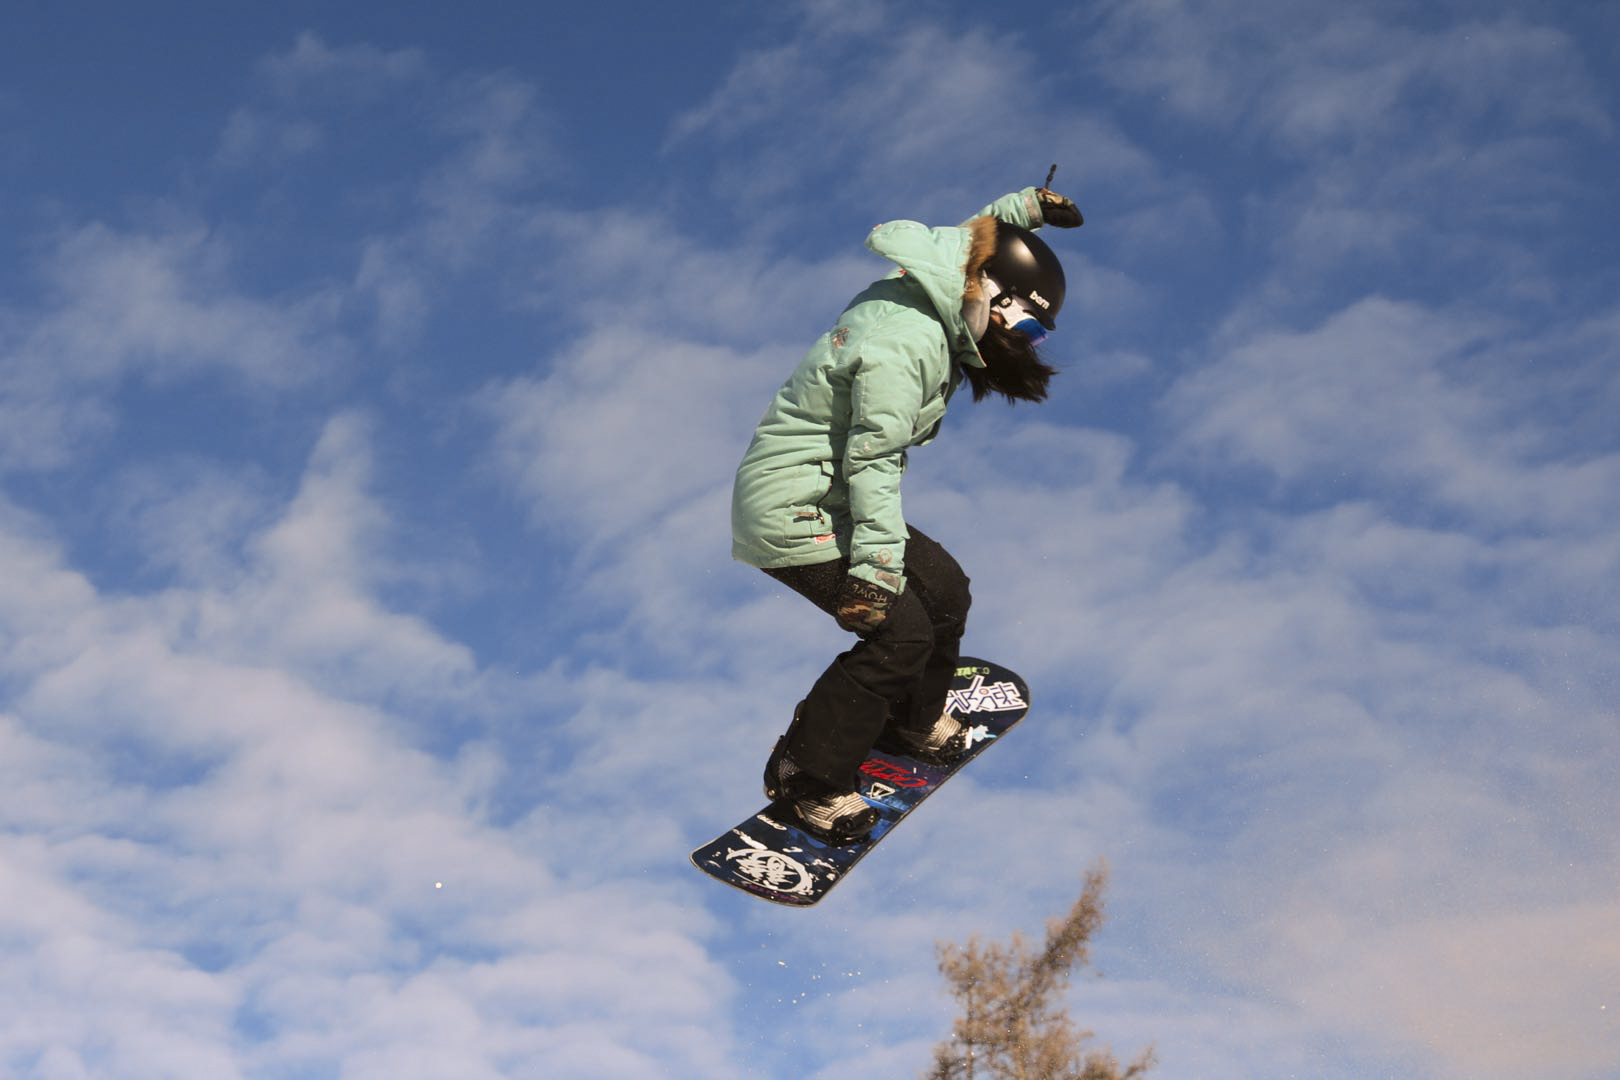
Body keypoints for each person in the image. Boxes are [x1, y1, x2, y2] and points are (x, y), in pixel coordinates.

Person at [730, 181, 1083, 842]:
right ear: (991, 300)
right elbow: (871, 464)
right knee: (901, 633)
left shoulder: (945, 281)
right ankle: (807, 775)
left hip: (829, 493)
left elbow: (972, 241)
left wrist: (1026, 211)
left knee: (946, 591)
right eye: (1027, 328)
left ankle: (912, 722)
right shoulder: (909, 346)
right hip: (792, 507)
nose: (1025, 346)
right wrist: (873, 572)